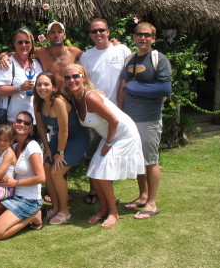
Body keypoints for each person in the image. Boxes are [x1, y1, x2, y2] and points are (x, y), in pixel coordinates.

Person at [64, 64, 144, 228]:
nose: (72, 80)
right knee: (94, 173)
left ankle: (113, 213)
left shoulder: (90, 97)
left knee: (102, 175)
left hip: (123, 135)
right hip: (109, 135)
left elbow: (114, 120)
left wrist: (108, 143)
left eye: (75, 76)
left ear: (83, 77)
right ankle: (103, 209)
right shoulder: (73, 97)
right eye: (68, 77)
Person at [118, 22, 172, 219]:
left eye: (147, 35)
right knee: (138, 160)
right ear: (134, 37)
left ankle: (151, 204)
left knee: (150, 161)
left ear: (153, 39)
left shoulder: (159, 59)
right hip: (130, 117)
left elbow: (165, 90)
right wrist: (120, 112)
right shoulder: (130, 59)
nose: (143, 38)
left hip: (149, 118)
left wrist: (135, 88)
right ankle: (142, 196)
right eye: (139, 35)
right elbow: (124, 86)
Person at [79, 18, 132, 204]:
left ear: (108, 32)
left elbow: (129, 77)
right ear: (90, 35)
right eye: (94, 31)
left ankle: (108, 194)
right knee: (95, 154)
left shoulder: (123, 50)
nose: (98, 34)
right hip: (94, 115)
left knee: (110, 156)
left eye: (101, 30)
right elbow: (83, 84)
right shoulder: (86, 56)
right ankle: (94, 191)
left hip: (116, 112)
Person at [34, 72, 88, 224]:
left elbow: (64, 129)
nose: (42, 88)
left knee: (56, 171)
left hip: (76, 137)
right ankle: (56, 206)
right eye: (39, 84)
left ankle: (65, 210)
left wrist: (60, 153)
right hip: (60, 138)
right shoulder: (37, 101)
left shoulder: (58, 101)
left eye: (46, 84)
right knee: (45, 166)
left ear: (54, 87)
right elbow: (40, 126)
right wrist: (47, 148)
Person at [0, 111, 45, 240]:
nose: (21, 124)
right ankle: (12, 215)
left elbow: (41, 178)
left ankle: (33, 216)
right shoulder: (11, 146)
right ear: (14, 124)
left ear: (31, 128)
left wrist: (16, 183)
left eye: (26, 123)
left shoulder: (32, 147)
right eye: (19, 121)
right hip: (12, 195)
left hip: (29, 199)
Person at [0, 28, 43, 124]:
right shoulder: (7, 63)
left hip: (35, 120)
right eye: (20, 42)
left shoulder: (37, 63)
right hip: (13, 120)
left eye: (27, 42)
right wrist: (20, 87)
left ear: (32, 43)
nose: (24, 45)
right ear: (14, 43)